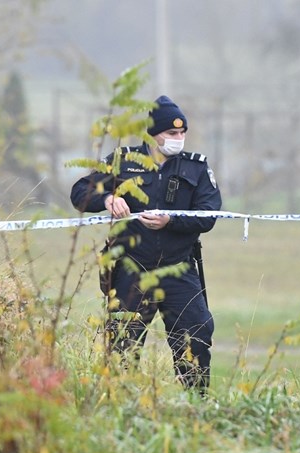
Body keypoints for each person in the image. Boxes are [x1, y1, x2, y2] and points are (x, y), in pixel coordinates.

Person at [70, 95, 222, 394]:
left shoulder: (196, 168)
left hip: (178, 270)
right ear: (153, 135)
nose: (178, 139)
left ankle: (197, 404)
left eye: (182, 133)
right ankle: (120, 403)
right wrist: (107, 199)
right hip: (131, 269)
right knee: (122, 344)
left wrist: (172, 221)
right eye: (171, 133)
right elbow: (79, 193)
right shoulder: (123, 161)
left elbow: (209, 215)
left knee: (197, 334)